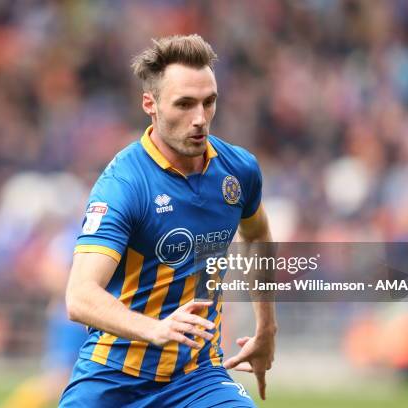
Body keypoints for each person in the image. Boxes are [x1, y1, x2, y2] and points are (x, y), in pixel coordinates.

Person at [60, 34, 276, 408]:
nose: (199, 119)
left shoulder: (238, 171)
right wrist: (155, 329)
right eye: (185, 104)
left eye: (209, 103)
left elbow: (257, 236)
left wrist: (266, 327)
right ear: (151, 104)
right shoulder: (124, 184)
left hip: (197, 377)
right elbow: (80, 296)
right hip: (113, 378)